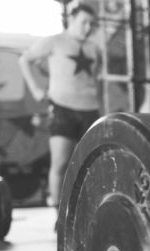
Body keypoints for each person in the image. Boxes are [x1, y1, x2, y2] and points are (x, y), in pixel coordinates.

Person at [19, 4, 101, 212]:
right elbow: (25, 60)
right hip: (63, 109)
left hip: (90, 110)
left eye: (91, 24)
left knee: (93, 163)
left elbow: (94, 79)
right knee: (60, 163)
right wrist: (36, 88)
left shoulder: (94, 49)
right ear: (71, 20)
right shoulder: (55, 42)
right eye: (83, 22)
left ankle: (91, 212)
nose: (87, 28)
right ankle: (59, 216)